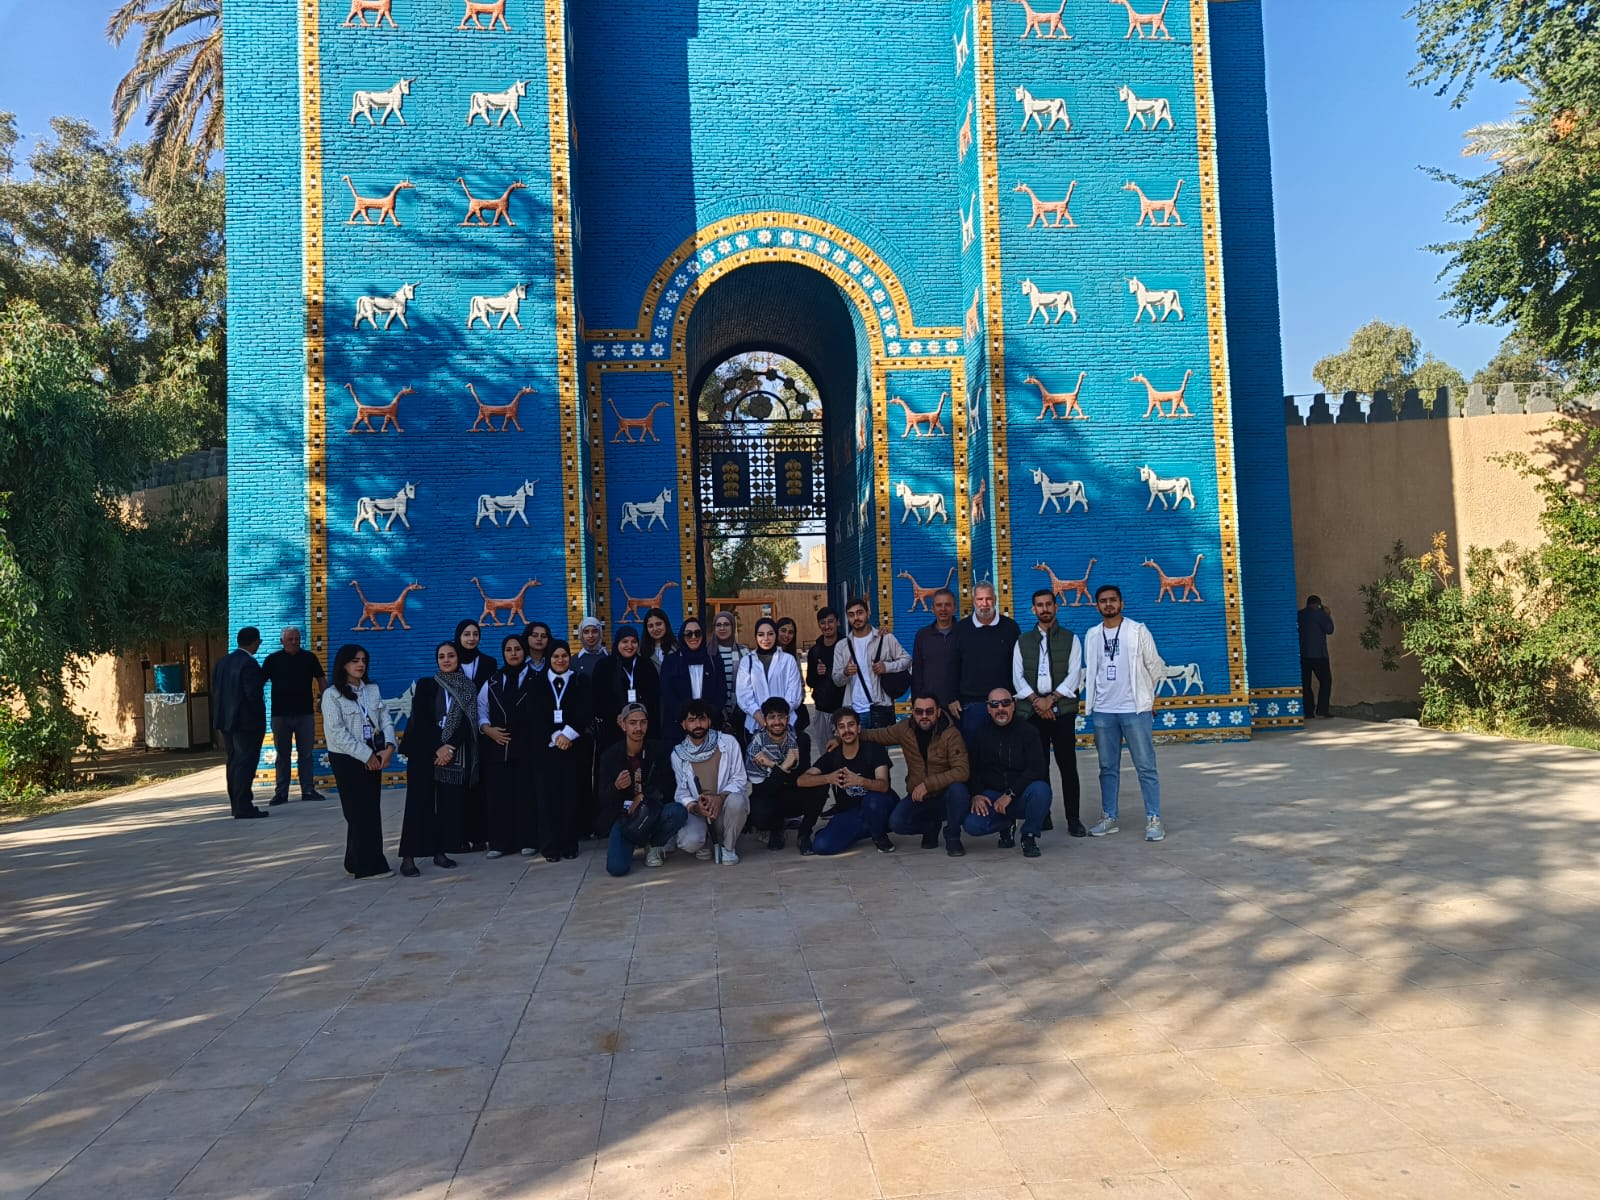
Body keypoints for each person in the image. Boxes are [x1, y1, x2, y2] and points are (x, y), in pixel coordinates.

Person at [1082, 584, 1167, 842]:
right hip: (1104, 712)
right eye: (1103, 601)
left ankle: (1154, 819)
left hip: (1134, 710)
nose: (1108, 604)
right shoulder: (1093, 634)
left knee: (1145, 766)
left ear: (1122, 603)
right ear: (1096, 605)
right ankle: (1109, 817)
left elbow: (1156, 666)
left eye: (1113, 600)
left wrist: (1150, 700)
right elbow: (1093, 671)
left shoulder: (1137, 630)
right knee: (1107, 767)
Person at [397, 642, 477, 877]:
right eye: (441, 656)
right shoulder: (426, 684)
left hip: (451, 753)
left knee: (445, 805)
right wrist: (438, 747)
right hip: (423, 751)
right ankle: (408, 857)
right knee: (417, 803)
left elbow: (467, 723)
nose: (446, 660)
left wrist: (449, 748)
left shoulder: (467, 688)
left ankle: (440, 851)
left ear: (458, 659)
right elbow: (421, 720)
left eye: (451, 656)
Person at [1013, 587, 1086, 837]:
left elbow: (1074, 676)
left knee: (1067, 765)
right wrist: (1037, 702)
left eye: (1048, 604)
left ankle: (1073, 818)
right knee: (1038, 766)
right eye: (1039, 605)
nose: (1044, 609)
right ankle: (1042, 815)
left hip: (1062, 711)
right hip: (1033, 713)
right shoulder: (1022, 641)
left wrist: (1051, 701)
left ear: (1056, 607)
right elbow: (1017, 677)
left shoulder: (1071, 639)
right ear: (1033, 609)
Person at [320, 644, 397, 877]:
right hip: (348, 759)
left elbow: (385, 720)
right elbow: (337, 733)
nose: (360, 664)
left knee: (370, 810)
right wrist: (366, 755)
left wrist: (389, 747)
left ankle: (354, 859)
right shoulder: (332, 695)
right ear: (343, 664)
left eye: (363, 660)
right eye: (355, 660)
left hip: (375, 755)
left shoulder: (372, 690)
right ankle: (368, 866)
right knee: (357, 812)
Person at [948, 687, 1051, 858]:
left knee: (1041, 790)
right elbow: (971, 768)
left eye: (1005, 703)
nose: (1000, 708)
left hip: (1019, 794)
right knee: (972, 826)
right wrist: (976, 794)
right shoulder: (979, 733)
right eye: (994, 705)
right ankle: (1006, 825)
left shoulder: (1028, 731)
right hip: (992, 796)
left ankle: (1029, 836)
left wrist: (1010, 794)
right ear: (988, 709)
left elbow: (1037, 769)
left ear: (1013, 705)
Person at [859, 690, 970, 849]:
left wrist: (927, 785)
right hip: (919, 797)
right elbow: (877, 735)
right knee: (897, 823)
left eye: (929, 711)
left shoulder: (951, 734)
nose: (924, 715)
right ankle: (930, 827)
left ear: (938, 712)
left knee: (959, 791)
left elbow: (962, 770)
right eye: (919, 711)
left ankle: (952, 836)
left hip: (944, 795)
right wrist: (844, 737)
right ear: (912, 712)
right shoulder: (905, 729)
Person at [598, 703, 685, 876]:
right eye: (633, 723)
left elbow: (669, 786)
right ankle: (633, 842)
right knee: (617, 868)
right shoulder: (610, 756)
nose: (638, 728)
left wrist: (644, 796)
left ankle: (654, 845)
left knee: (678, 812)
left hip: (652, 811)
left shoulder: (658, 750)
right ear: (623, 725)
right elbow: (602, 798)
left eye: (643, 722)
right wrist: (616, 787)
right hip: (625, 818)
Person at [800, 708, 896, 854]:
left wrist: (860, 781)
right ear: (837, 733)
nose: (847, 730)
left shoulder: (874, 750)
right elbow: (802, 780)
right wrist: (828, 777)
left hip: (878, 806)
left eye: (851, 725)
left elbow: (883, 785)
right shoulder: (834, 756)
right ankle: (864, 829)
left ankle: (879, 837)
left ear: (858, 728)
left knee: (873, 801)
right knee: (822, 846)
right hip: (852, 813)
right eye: (842, 727)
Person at [479, 634, 539, 859]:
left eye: (517, 649)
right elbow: (481, 710)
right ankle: (500, 842)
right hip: (497, 748)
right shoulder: (492, 681)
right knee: (498, 797)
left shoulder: (536, 678)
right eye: (508, 650)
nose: (513, 653)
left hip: (526, 748)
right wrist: (487, 729)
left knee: (526, 795)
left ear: (525, 651)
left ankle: (528, 840)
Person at [669, 699, 750, 864]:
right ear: (684, 725)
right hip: (700, 813)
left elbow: (739, 778)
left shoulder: (728, 743)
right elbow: (682, 792)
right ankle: (704, 841)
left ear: (709, 721)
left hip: (724, 806)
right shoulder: (678, 754)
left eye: (702, 719)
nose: (698, 724)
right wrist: (696, 807)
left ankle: (728, 848)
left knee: (738, 800)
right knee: (688, 842)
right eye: (692, 720)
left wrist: (719, 798)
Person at [532, 640, 592, 861]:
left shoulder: (580, 681)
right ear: (549, 658)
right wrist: (555, 736)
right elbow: (534, 714)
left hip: (573, 748)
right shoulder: (537, 683)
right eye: (555, 656)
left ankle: (569, 845)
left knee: (570, 797)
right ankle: (550, 847)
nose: (560, 660)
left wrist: (568, 734)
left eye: (564, 656)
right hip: (546, 751)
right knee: (547, 799)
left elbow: (585, 709)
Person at [261, 627, 326, 805]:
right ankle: (281, 793)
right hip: (280, 715)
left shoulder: (309, 658)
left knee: (306, 754)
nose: (294, 642)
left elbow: (321, 678)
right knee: (283, 755)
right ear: (282, 641)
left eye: (297, 639)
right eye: (290, 639)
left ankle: (308, 790)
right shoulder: (273, 660)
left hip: (305, 713)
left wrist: (323, 699)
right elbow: (259, 681)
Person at [745, 696, 819, 852]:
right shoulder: (755, 745)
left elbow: (802, 778)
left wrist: (772, 765)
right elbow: (761, 789)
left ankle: (804, 833)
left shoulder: (801, 739)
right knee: (760, 811)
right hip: (769, 796)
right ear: (764, 720)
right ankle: (776, 829)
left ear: (788, 718)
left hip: (794, 792)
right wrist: (785, 765)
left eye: (781, 717)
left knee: (819, 787)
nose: (777, 722)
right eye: (772, 717)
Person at [212, 626, 269, 819]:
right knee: (246, 763)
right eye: (258, 642)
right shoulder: (249, 664)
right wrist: (260, 718)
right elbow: (253, 695)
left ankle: (236, 803)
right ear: (253, 642)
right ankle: (244, 805)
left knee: (234, 762)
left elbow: (217, 691)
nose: (258, 646)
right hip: (247, 723)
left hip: (226, 721)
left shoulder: (222, 663)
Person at [830, 597, 911, 729]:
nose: (856, 618)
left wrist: (887, 667)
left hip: (881, 707)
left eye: (860, 612)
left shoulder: (885, 638)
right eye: (851, 615)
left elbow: (907, 660)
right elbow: (837, 680)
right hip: (854, 711)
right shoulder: (842, 646)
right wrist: (845, 672)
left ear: (868, 613)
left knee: (881, 749)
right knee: (856, 749)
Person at [954, 581, 1021, 738]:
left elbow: (1019, 665)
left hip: (1003, 703)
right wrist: (953, 697)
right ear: (973, 601)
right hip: (971, 704)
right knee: (974, 753)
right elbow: (953, 666)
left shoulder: (1010, 627)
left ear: (995, 599)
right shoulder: (961, 629)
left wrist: (1016, 697)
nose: (984, 604)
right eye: (980, 599)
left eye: (989, 599)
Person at [452, 620, 497, 853]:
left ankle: (481, 835)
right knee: (459, 783)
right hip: (457, 731)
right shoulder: (450, 659)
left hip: (482, 730)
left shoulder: (489, 663)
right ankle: (460, 836)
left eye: (475, 634)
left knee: (480, 782)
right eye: (466, 634)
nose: (471, 638)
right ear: (458, 636)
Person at [593, 625, 662, 749]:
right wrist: (619, 716)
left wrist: (639, 715)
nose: (629, 646)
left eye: (634, 642)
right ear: (617, 643)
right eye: (625, 641)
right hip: (613, 728)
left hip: (642, 727)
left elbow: (654, 696)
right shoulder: (604, 666)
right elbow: (598, 698)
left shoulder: (646, 665)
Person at [659, 617, 727, 739]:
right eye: (688, 634)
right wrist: (686, 718)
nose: (693, 637)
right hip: (679, 727)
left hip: (709, 726)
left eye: (697, 633)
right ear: (682, 636)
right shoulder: (671, 662)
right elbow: (667, 693)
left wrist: (707, 716)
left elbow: (721, 692)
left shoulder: (714, 660)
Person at [735, 617, 804, 734]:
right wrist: (761, 719)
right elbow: (744, 695)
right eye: (761, 634)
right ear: (756, 636)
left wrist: (777, 719)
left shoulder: (788, 660)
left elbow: (794, 693)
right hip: (756, 725)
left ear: (776, 635)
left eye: (770, 634)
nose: (766, 638)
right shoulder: (747, 661)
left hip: (784, 725)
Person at [911, 589, 963, 723]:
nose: (943, 609)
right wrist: (917, 705)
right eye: (939, 605)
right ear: (932, 609)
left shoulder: (964, 634)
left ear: (955, 608)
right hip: (929, 710)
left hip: (958, 707)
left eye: (948, 605)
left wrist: (959, 699)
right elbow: (917, 672)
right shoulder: (922, 636)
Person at [805, 607, 845, 760]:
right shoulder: (815, 651)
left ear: (838, 622)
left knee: (845, 754)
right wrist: (817, 672)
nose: (827, 626)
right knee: (826, 755)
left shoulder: (846, 646)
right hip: (822, 710)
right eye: (823, 623)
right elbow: (810, 681)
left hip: (843, 709)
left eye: (830, 622)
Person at [711, 611, 748, 735]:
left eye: (726, 624)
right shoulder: (708, 653)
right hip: (715, 715)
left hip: (741, 713)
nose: (722, 628)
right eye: (718, 625)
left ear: (733, 627)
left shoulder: (744, 652)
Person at [1298, 595, 1334, 718]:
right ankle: (1322, 709)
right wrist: (1327, 614)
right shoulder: (1320, 614)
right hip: (1319, 655)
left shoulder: (1300, 614)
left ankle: (1308, 711)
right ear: (1318, 605)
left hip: (1303, 655)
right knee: (1326, 681)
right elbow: (1329, 630)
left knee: (1306, 684)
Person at [640, 607, 678, 672]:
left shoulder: (678, 647)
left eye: (658, 624)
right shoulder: (640, 650)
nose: (655, 629)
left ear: (666, 624)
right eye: (650, 626)